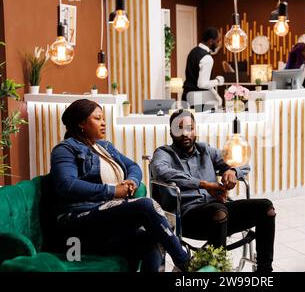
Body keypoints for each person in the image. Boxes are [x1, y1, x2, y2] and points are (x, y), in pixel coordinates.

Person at [50, 99, 190, 272]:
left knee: (151, 239)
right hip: (78, 220)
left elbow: (133, 166)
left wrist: (132, 180)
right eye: (97, 118)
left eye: (103, 118)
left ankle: (182, 263)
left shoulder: (104, 147)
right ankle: (186, 262)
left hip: (105, 217)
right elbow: (67, 185)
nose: (103, 123)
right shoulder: (65, 149)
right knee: (146, 204)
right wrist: (112, 190)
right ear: (81, 123)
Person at [151, 109, 276, 272]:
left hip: (219, 211)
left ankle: (265, 272)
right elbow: (162, 172)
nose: (185, 133)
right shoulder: (164, 153)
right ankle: (214, 270)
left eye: (190, 128)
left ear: (196, 129)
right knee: (219, 210)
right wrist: (205, 185)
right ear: (171, 132)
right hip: (187, 216)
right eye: (179, 128)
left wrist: (232, 171)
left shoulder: (205, 150)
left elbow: (243, 164)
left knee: (266, 208)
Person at [182, 27, 224, 104]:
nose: (219, 44)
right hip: (199, 100)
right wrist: (218, 81)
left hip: (186, 97)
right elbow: (202, 84)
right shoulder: (207, 58)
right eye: (218, 41)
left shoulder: (193, 51)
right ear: (211, 41)